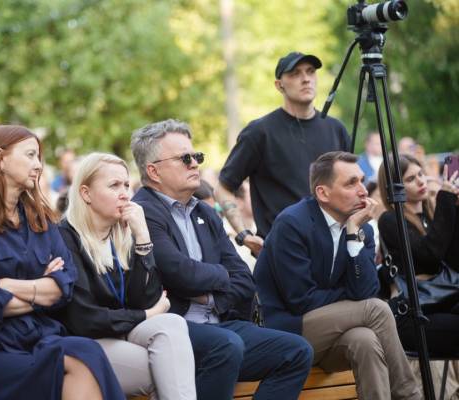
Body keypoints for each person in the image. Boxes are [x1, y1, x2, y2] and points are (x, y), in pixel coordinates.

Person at [131, 119, 313, 400]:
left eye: (197, 156)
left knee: (297, 351)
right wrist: (221, 275)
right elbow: (179, 273)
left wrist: (211, 295)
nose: (195, 163)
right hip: (171, 328)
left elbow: (244, 280)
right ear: (153, 171)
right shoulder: (142, 211)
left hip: (222, 324)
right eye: (185, 158)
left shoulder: (204, 212)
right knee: (226, 346)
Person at [0, 126, 123, 400]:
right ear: (0, 158)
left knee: (87, 351)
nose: (38, 165)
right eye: (30, 155)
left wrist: (8, 285)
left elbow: (66, 287)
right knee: (78, 362)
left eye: (38, 157)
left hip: (40, 337)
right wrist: (43, 289)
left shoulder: (40, 218)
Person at [255, 151, 420, 399]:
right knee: (376, 309)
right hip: (286, 331)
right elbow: (300, 300)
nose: (363, 191)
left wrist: (353, 234)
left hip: (330, 336)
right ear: (323, 193)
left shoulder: (361, 228)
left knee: (365, 341)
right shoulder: (292, 223)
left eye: (362, 181)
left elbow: (365, 291)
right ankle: (410, 395)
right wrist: (348, 296)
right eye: (351, 183)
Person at [55, 152, 196, 399]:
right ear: (86, 193)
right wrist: (147, 315)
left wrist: (143, 238)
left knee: (172, 324)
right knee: (168, 370)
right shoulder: (65, 238)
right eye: (114, 186)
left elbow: (147, 298)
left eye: (126, 185)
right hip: (84, 342)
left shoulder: (121, 235)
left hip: (124, 331)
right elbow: (84, 319)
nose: (125, 194)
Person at [216, 51, 350, 256]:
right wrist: (244, 235)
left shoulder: (336, 129)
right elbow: (223, 188)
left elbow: (351, 186)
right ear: (279, 85)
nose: (305, 79)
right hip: (282, 253)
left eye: (310, 71)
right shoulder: (259, 132)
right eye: (295, 73)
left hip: (334, 251)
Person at [377, 153, 459, 354]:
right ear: (394, 188)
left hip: (444, 301)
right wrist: (445, 201)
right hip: (414, 315)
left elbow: (454, 261)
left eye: (421, 174)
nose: (421, 181)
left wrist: (456, 208)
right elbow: (430, 256)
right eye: (411, 179)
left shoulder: (431, 215)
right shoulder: (390, 220)